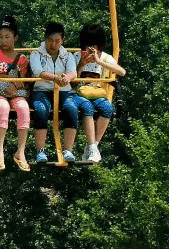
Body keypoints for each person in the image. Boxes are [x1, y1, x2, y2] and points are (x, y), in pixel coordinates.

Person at [29, 21, 96, 164]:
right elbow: (37, 71)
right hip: (42, 89)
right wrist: (55, 78)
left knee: (71, 108)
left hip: (64, 90)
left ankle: (68, 150)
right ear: (45, 39)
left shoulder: (67, 56)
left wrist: (67, 78)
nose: (53, 44)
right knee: (41, 109)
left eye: (57, 41)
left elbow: (72, 72)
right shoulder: (36, 54)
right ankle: (40, 151)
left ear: (62, 40)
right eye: (50, 40)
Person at [0, 16, 31, 171]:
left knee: (23, 108)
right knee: (2, 107)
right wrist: (10, 80)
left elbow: (22, 81)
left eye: (7, 37)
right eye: (1, 37)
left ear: (15, 38)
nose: (3, 40)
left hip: (14, 93)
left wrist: (14, 83)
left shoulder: (21, 59)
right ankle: (0, 151)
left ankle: (20, 151)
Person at [75, 23, 127, 161]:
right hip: (79, 93)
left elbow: (122, 72)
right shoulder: (77, 56)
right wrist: (82, 64)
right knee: (87, 107)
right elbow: (72, 78)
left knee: (107, 108)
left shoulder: (105, 58)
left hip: (97, 93)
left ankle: (93, 146)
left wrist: (99, 62)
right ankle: (92, 145)